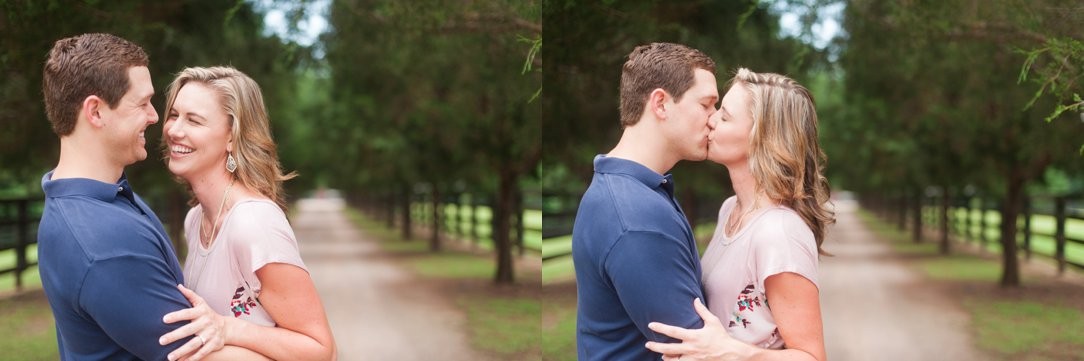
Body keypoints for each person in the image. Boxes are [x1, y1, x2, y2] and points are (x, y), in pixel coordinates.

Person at [37, 33, 265, 360]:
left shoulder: (101, 197)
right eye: (142, 103)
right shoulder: (105, 243)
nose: (155, 117)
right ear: (96, 112)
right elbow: (199, 356)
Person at [645, 68, 832, 361]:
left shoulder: (779, 232)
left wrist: (732, 352)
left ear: (762, 138)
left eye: (725, 116)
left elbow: (811, 356)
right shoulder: (730, 208)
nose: (711, 119)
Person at [155, 66, 337, 360]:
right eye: (174, 115)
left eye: (194, 120)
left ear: (231, 137)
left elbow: (320, 349)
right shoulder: (196, 219)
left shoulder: (254, 224)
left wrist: (229, 328)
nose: (174, 130)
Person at [571, 42, 719, 361]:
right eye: (707, 105)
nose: (715, 120)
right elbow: (695, 354)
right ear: (661, 104)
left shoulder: (627, 190)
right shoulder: (637, 217)